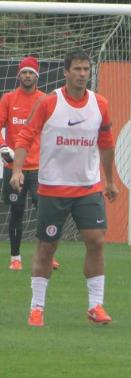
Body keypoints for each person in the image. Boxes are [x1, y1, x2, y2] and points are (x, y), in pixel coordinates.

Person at [10, 48, 119, 327]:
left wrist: (109, 181)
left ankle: (96, 305)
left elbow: (106, 145)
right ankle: (37, 308)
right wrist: (18, 171)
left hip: (87, 187)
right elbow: (25, 137)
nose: (83, 74)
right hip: (53, 188)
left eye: (87, 69)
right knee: (47, 248)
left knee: (96, 241)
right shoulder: (49, 103)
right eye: (78, 69)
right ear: (66, 72)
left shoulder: (101, 104)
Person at [0, 56, 60, 271]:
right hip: (13, 169)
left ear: (37, 75)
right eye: (24, 72)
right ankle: (15, 257)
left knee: (45, 212)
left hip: (39, 168)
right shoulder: (8, 99)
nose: (27, 76)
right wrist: (2, 147)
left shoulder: (45, 100)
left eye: (31, 72)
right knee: (16, 211)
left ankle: (47, 256)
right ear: (19, 75)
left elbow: (55, 130)